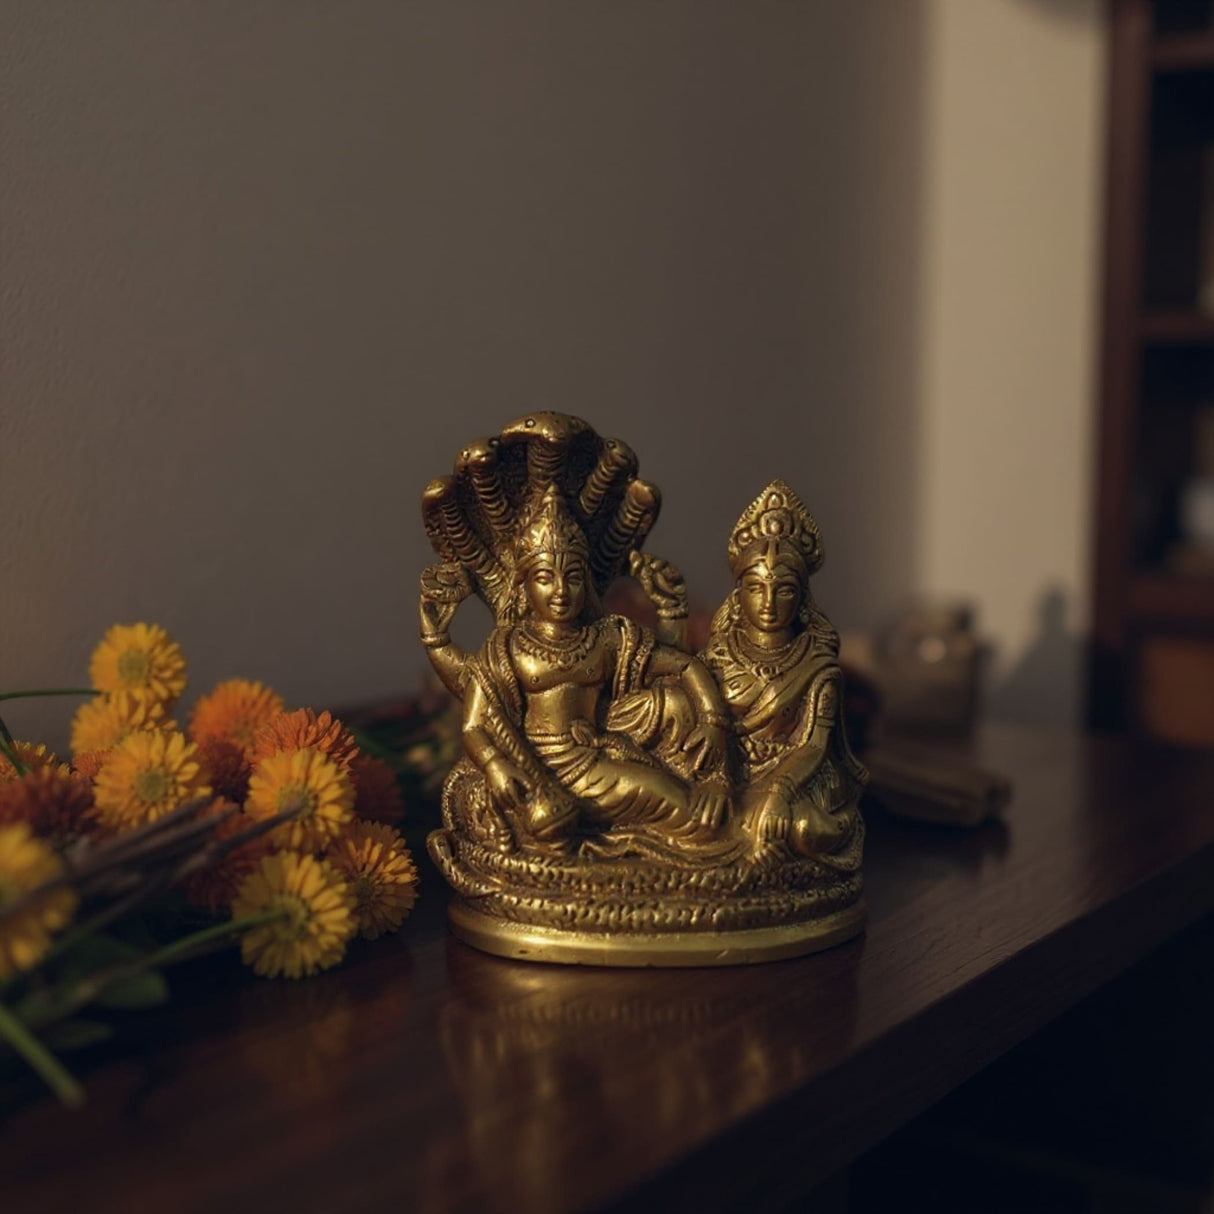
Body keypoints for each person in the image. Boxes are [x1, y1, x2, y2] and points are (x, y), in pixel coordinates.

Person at [700, 480, 866, 859]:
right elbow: (701, 727)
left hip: (797, 779)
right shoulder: (717, 655)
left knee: (802, 828)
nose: (769, 603)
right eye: (756, 588)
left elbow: (812, 746)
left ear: (803, 597)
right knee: (691, 811)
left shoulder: (817, 666)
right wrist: (717, 779)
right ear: (738, 593)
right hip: (727, 770)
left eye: (785, 590)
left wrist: (779, 791)